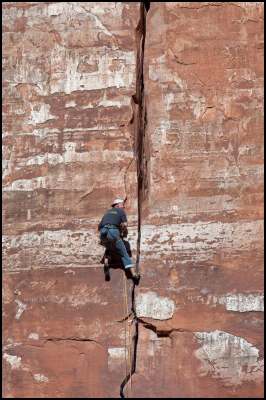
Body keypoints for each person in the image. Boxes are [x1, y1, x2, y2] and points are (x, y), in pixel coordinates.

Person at [98, 198, 139, 280]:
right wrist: (122, 231)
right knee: (124, 253)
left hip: (103, 232)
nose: (123, 207)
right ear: (117, 205)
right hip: (113, 231)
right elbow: (125, 224)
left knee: (109, 247)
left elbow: (99, 227)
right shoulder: (120, 211)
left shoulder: (107, 213)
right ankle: (134, 274)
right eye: (122, 205)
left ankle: (106, 261)